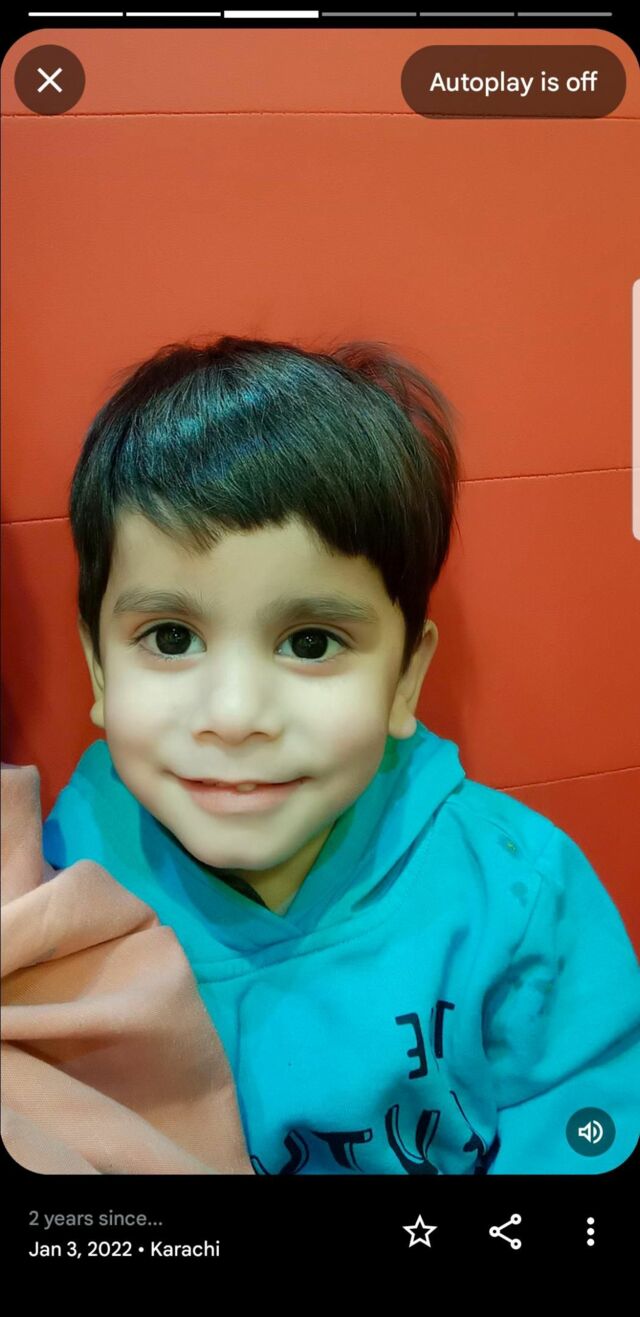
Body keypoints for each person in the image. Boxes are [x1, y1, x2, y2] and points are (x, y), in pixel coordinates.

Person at [43, 334, 639, 1175]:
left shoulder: (520, 894)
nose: (235, 715)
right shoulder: (53, 902)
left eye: (311, 641)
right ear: (100, 670)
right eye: (171, 637)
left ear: (405, 678)